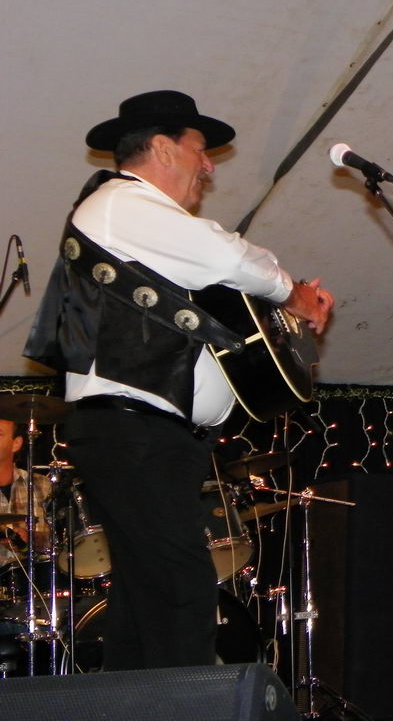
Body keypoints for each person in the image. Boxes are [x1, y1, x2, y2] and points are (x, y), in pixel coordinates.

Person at [23, 90, 334, 670]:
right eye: (201, 149)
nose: (209, 165)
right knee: (182, 591)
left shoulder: (148, 235)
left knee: (145, 602)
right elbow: (231, 258)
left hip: (145, 438)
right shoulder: (122, 203)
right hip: (136, 435)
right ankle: (183, 705)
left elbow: (221, 291)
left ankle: (130, 704)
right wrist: (291, 291)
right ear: (164, 148)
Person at [0, 419, 50, 571]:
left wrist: (32, 538)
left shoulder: (42, 485)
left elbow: (60, 541)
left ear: (16, 443)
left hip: (34, 578)